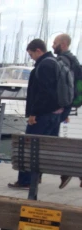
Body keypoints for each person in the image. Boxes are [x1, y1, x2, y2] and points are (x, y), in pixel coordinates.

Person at [8, 39, 62, 199]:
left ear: (38, 50)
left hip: (41, 115)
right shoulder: (57, 63)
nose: (31, 58)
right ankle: (36, 177)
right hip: (54, 114)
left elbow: (42, 93)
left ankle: (26, 180)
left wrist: (33, 113)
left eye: (31, 54)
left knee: (27, 147)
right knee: (43, 149)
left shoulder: (44, 65)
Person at [52, 33, 82, 188]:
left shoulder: (62, 61)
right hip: (69, 104)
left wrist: (59, 104)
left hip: (61, 105)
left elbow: (61, 85)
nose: (52, 45)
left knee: (49, 140)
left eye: (55, 42)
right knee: (52, 138)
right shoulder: (74, 60)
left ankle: (67, 169)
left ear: (63, 44)